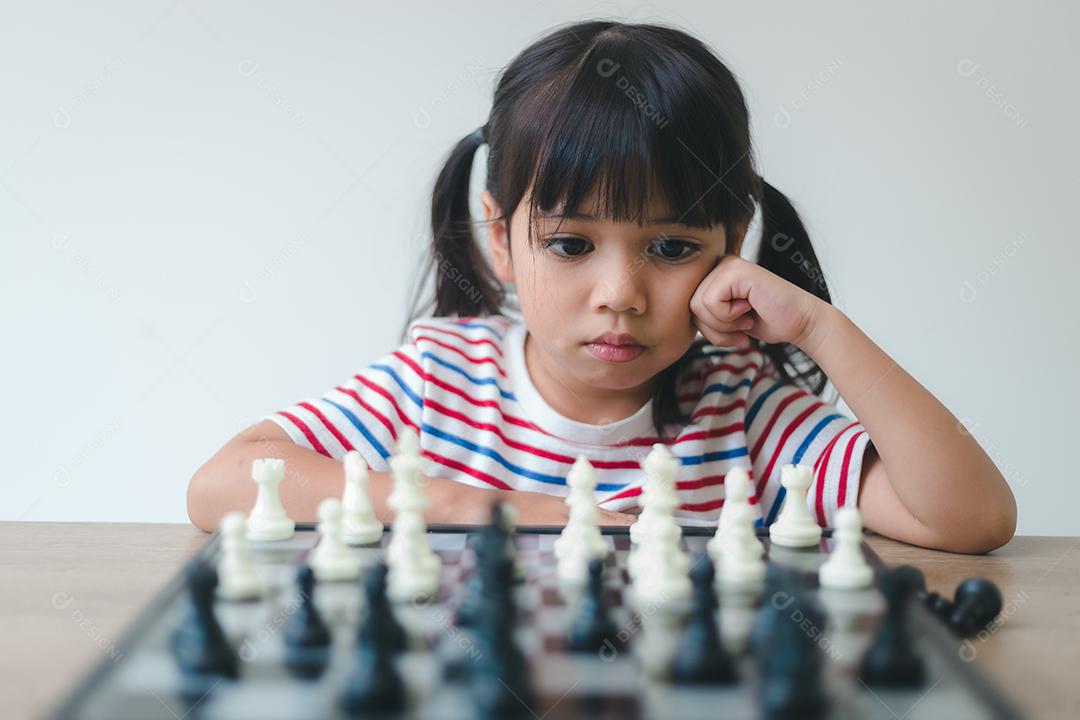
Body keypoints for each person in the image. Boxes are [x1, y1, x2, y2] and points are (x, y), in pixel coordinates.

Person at [187, 20, 1015, 553]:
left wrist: (818, 328)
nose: (620, 292)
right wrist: (463, 505)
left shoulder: (743, 409)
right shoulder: (440, 381)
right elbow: (223, 482)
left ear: (730, 248)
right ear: (501, 237)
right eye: (573, 243)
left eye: (670, 245)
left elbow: (969, 518)